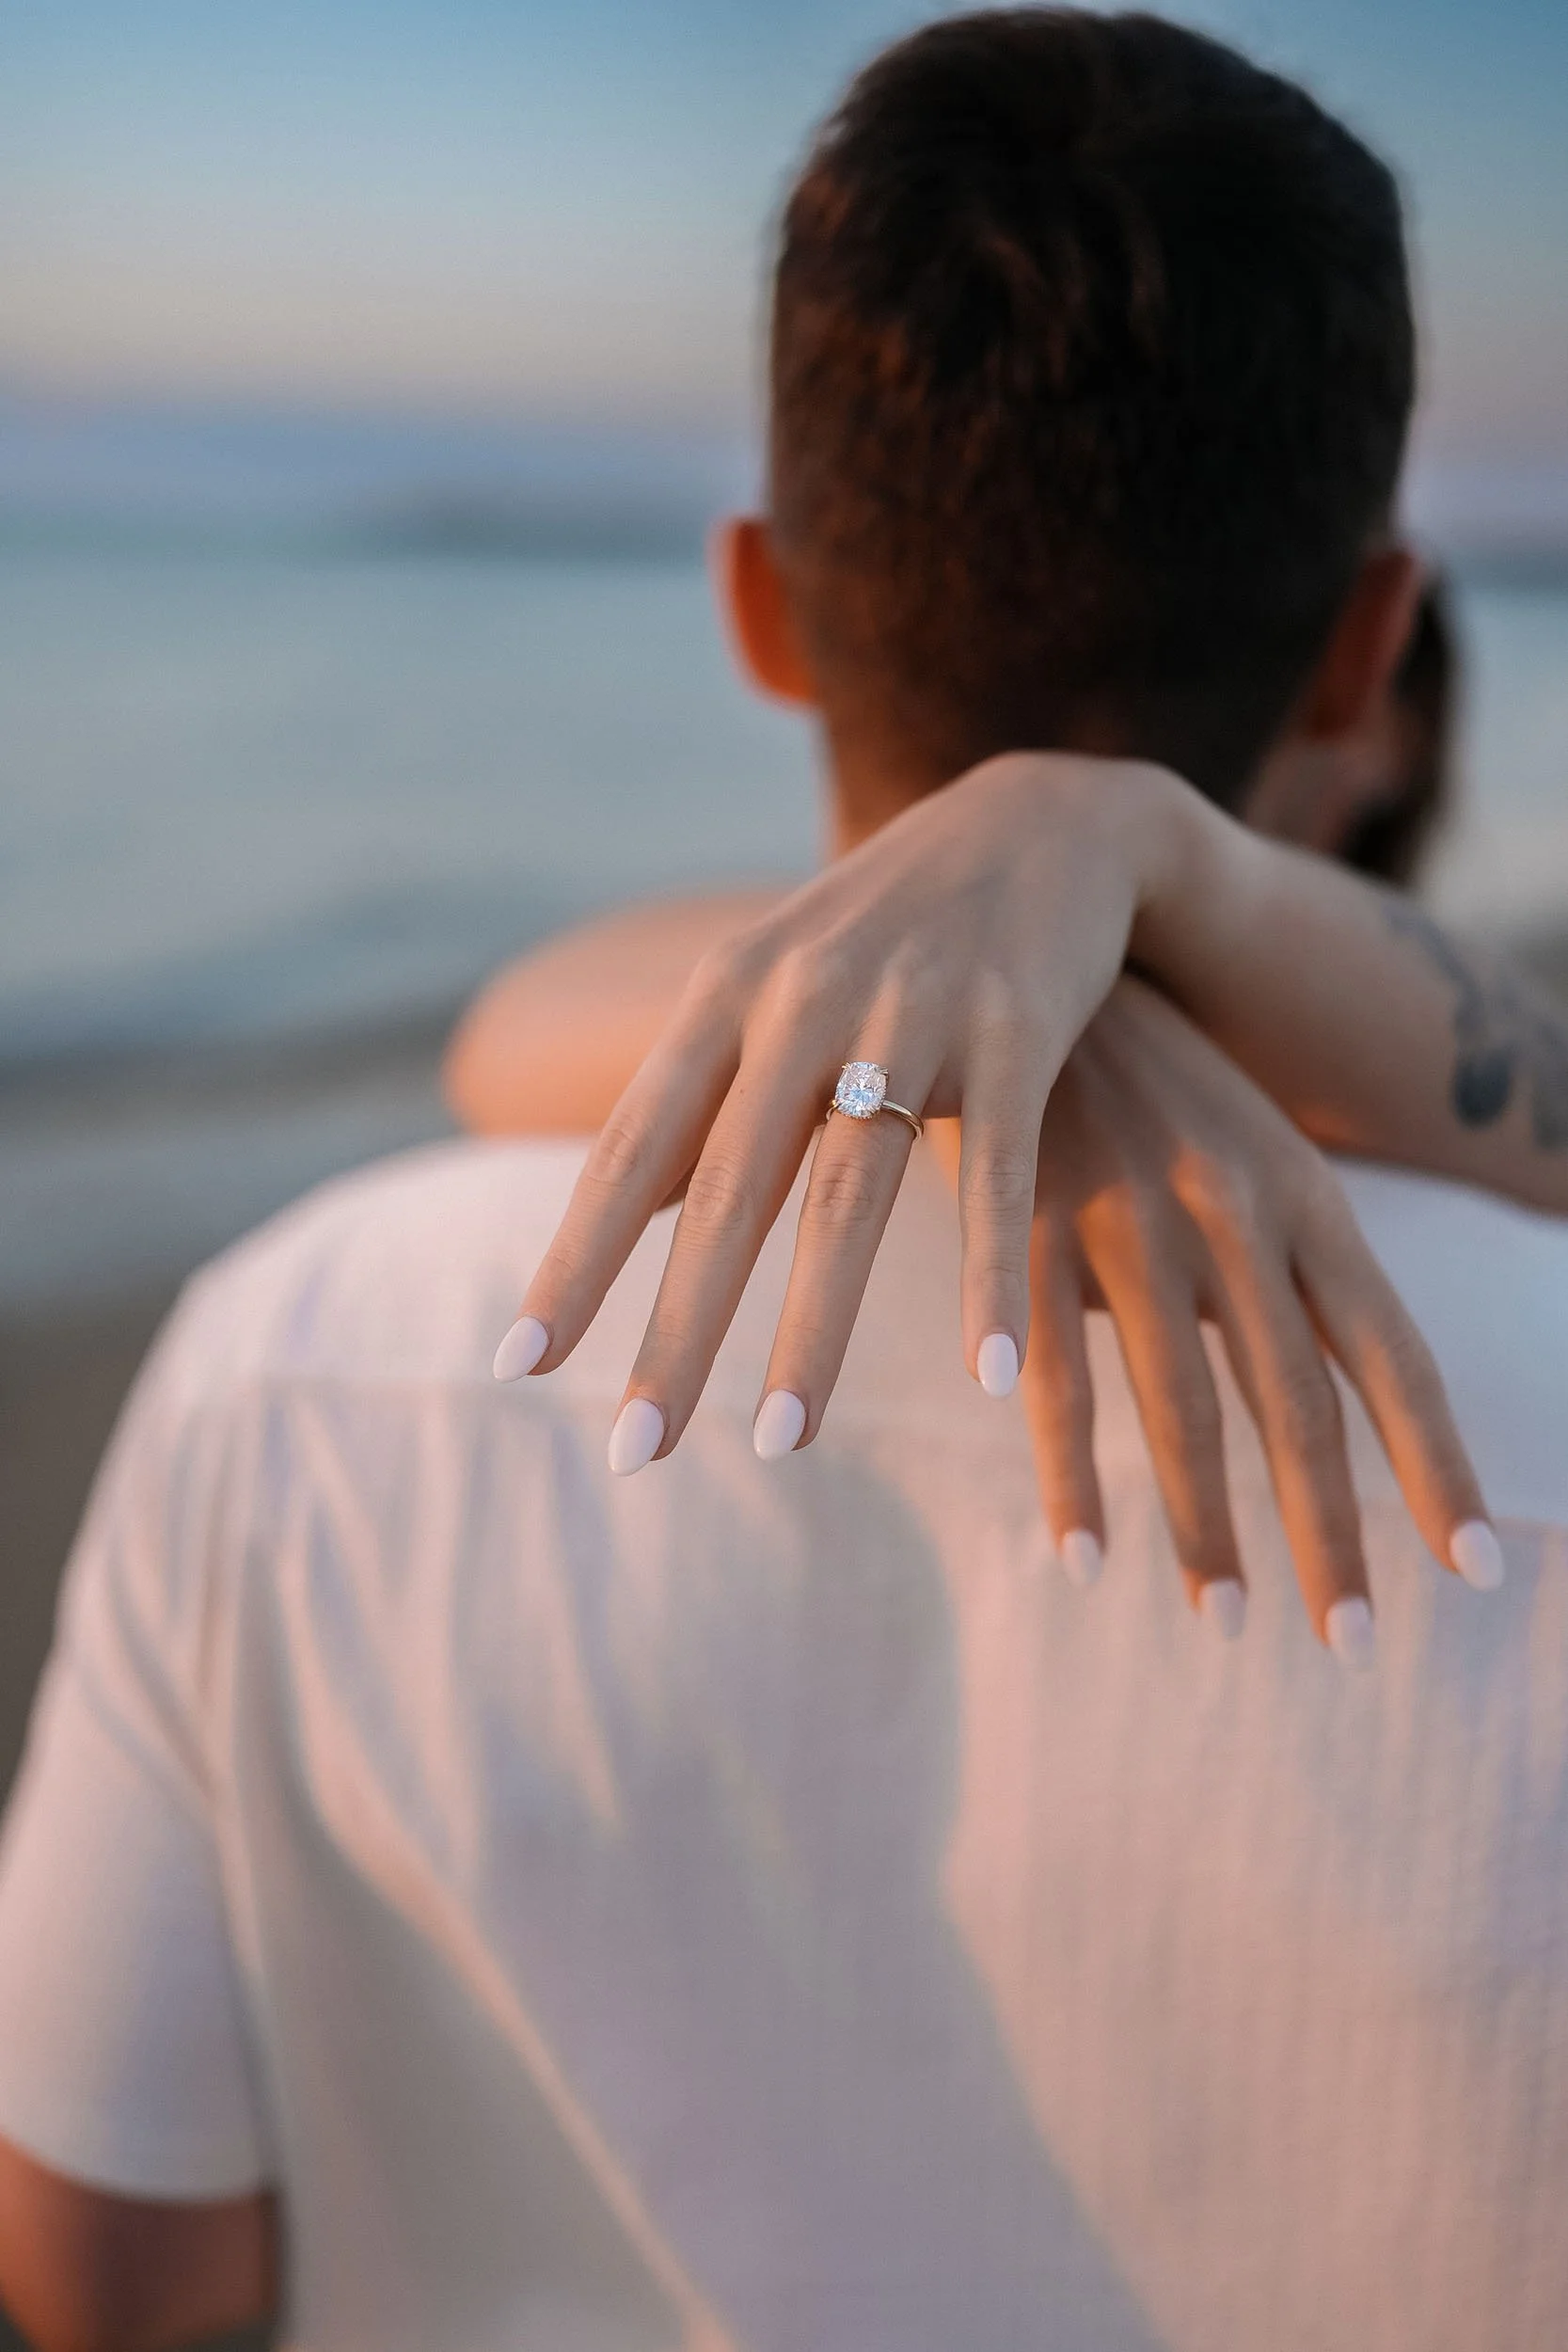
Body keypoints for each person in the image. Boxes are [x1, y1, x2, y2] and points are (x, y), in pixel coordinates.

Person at [3, 13, 1568, 2346]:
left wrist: (1104, 870)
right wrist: (1148, 890)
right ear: (1367, 646)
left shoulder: (293, 1357)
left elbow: (111, 2273)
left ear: (750, 600)